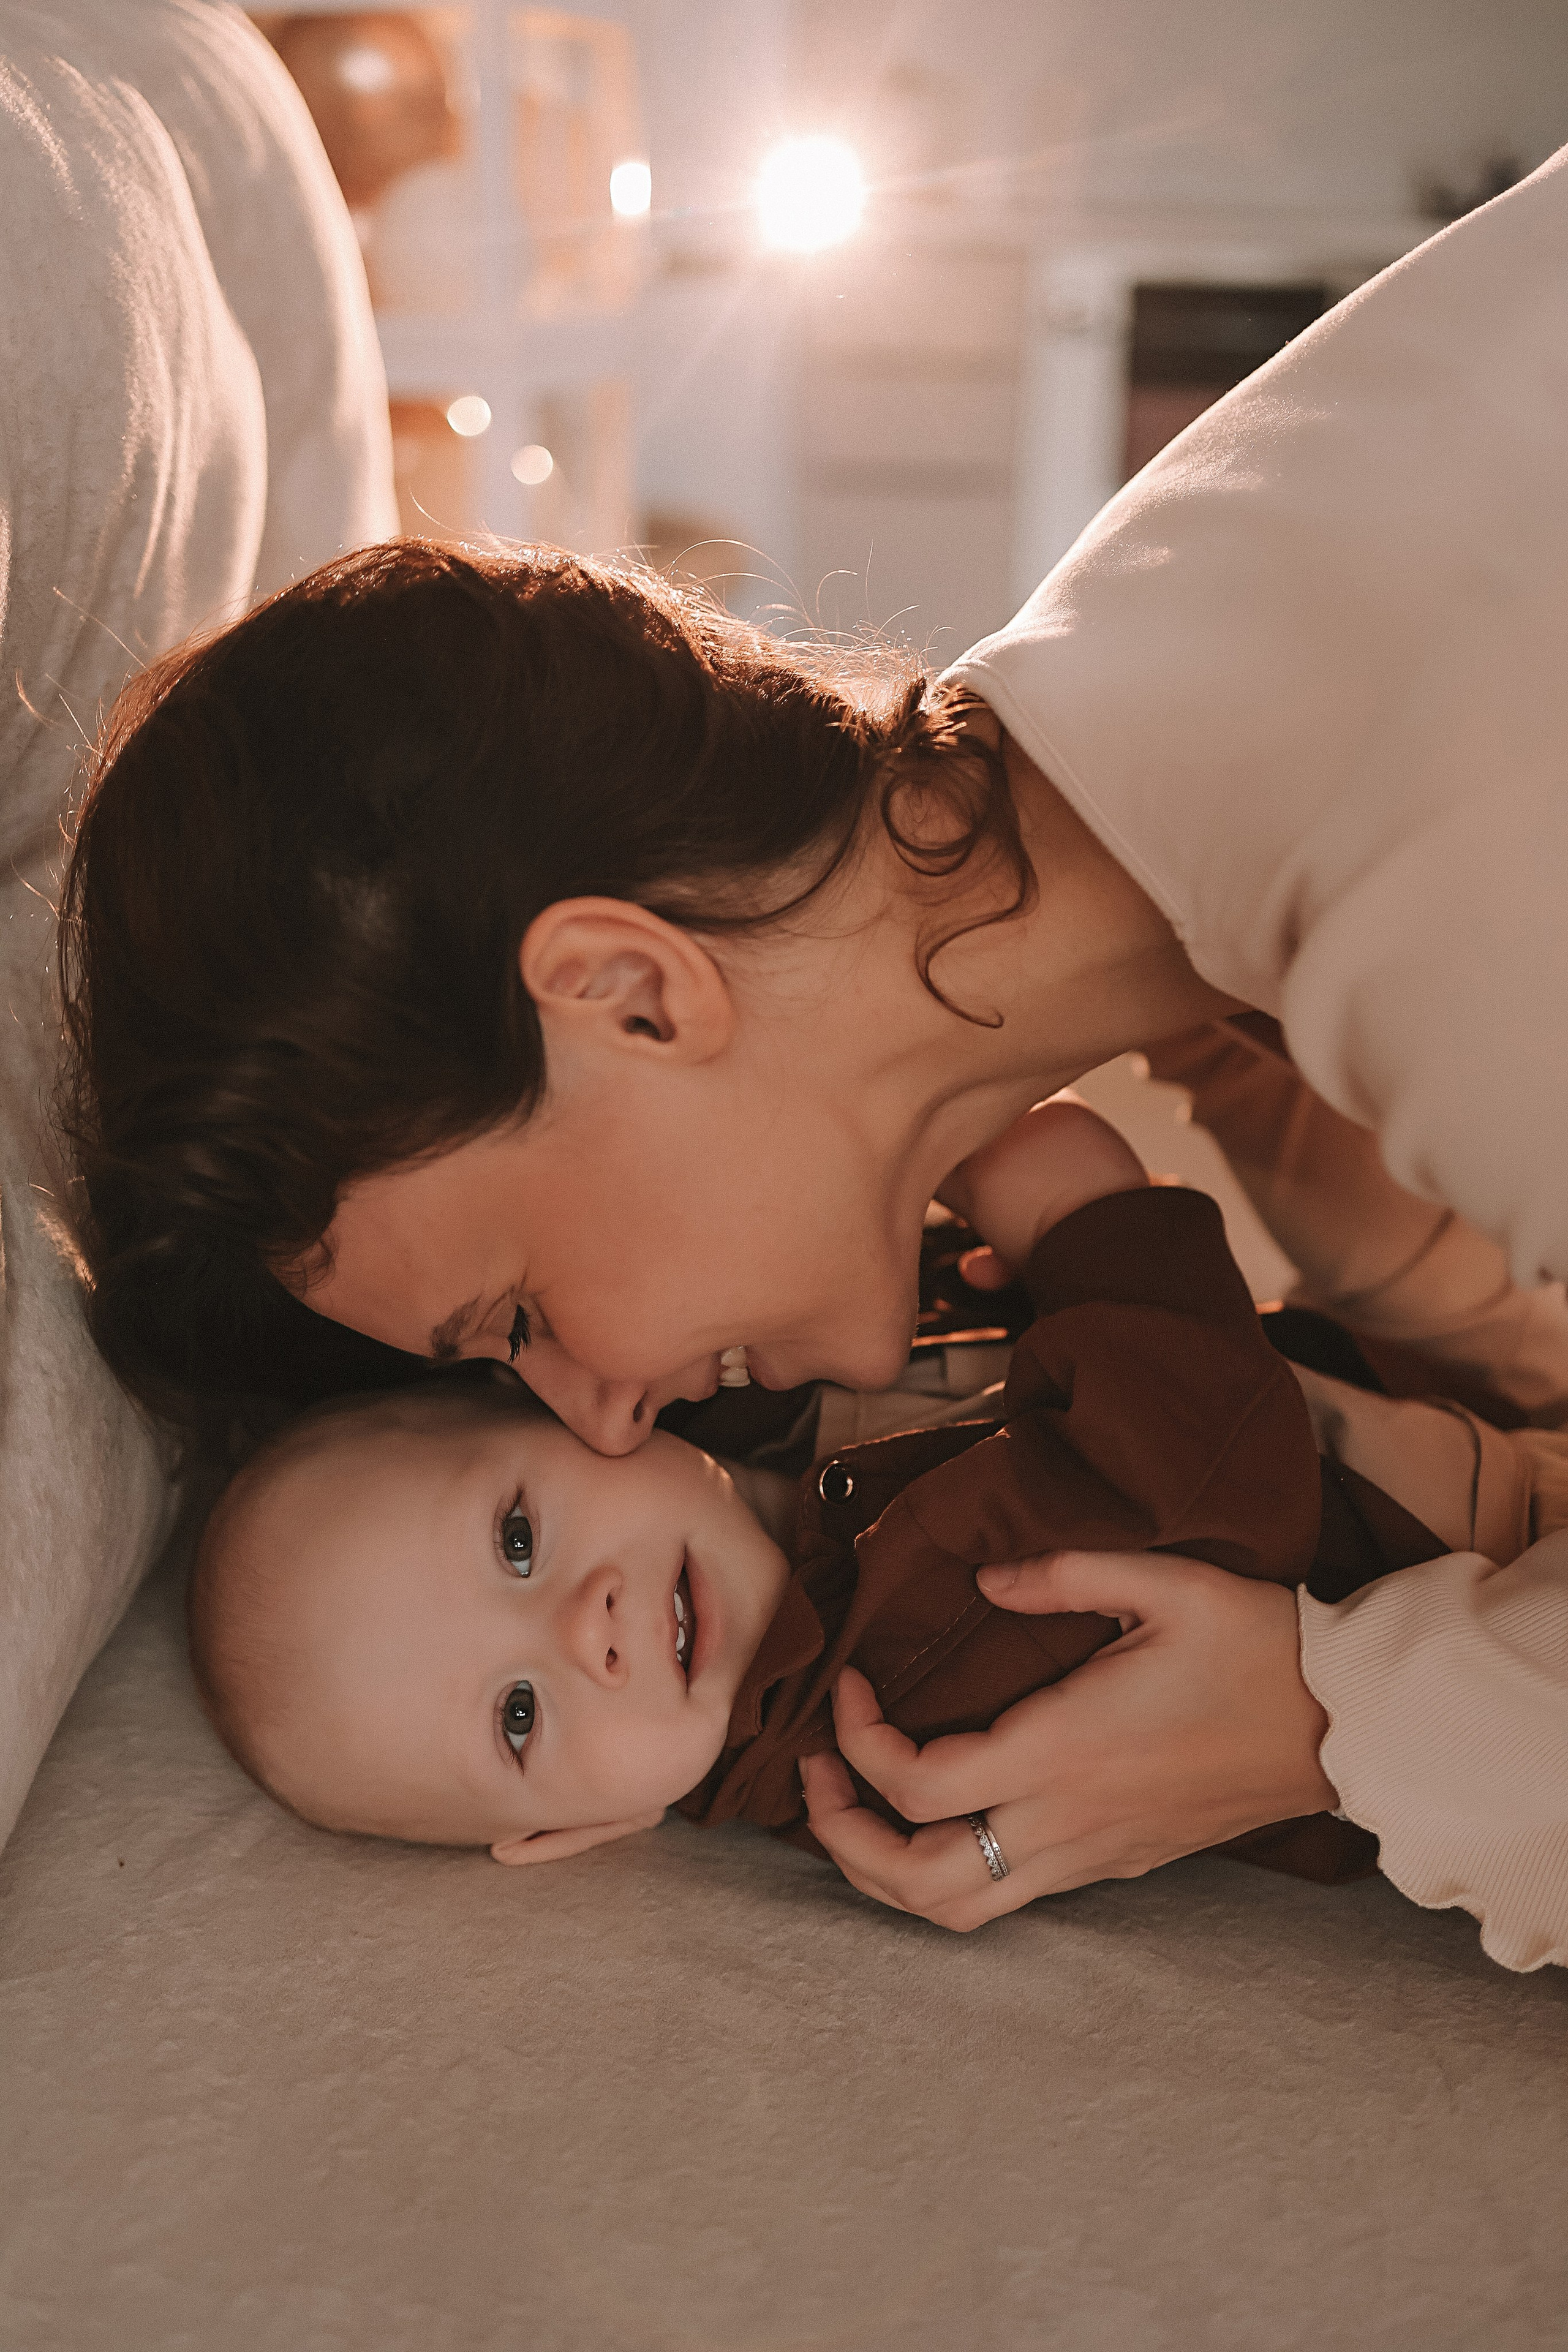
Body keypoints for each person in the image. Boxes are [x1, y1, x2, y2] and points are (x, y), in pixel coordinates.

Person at [59, 150, 1568, 1967]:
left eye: (514, 1315)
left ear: (627, 992)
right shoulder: (1202, 706)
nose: (602, 1409)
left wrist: (1341, 1723)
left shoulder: (1438, 838)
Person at [192, 1098, 1546, 1904]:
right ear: (575, 1832)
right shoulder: (894, 1696)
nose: (582, 1628)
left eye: (518, 1538)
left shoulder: (746, 1433)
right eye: (521, 1714)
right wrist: (1075, 1219)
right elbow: (1209, 1490)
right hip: (1508, 1600)